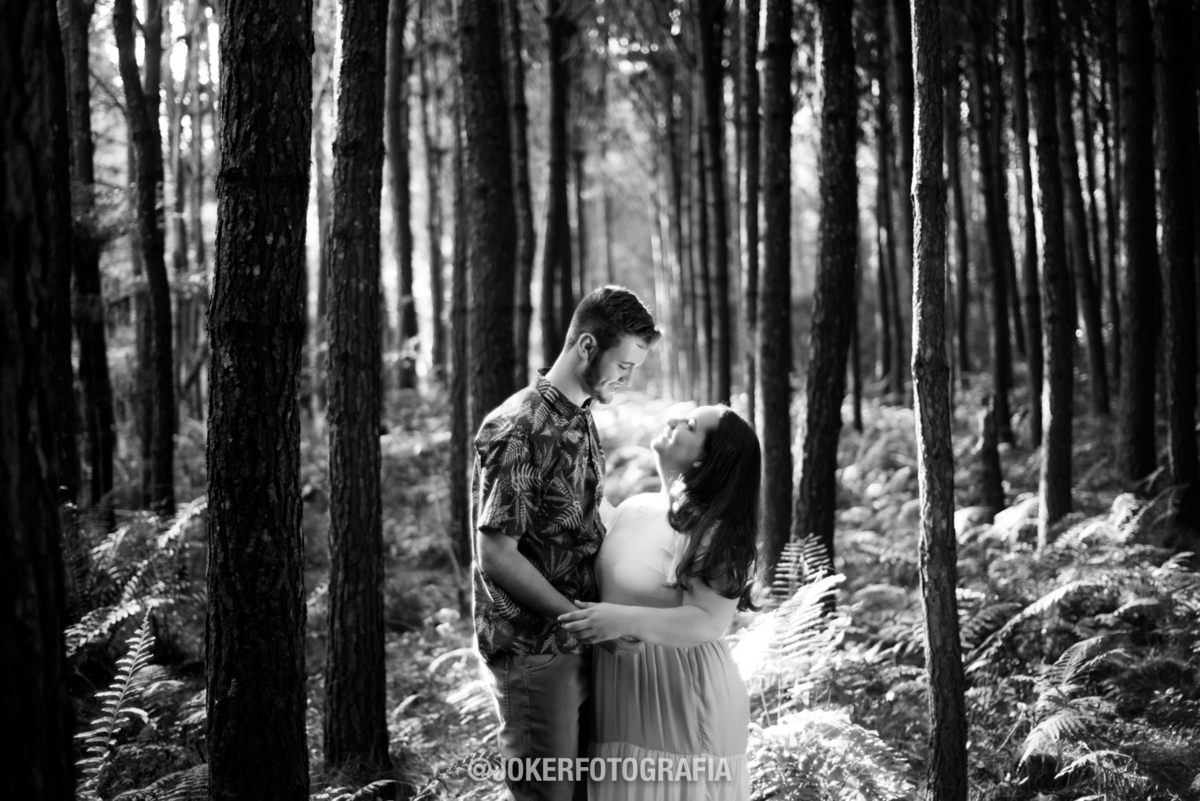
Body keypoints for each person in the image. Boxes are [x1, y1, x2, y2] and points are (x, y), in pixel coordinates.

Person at [472, 286, 662, 801]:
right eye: (622, 365)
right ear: (585, 346)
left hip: (579, 639)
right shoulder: (519, 427)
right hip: (534, 650)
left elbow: (586, 518)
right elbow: (495, 553)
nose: (627, 379)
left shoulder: (579, 417)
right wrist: (578, 620)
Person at [558, 405, 760, 801]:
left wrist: (621, 620)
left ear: (705, 458)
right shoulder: (634, 507)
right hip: (622, 696)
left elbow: (708, 622)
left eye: (689, 426)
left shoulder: (716, 529)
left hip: (682, 698)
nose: (672, 420)